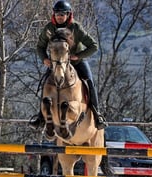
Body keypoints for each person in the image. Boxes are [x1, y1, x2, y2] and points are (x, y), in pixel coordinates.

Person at [29, 0, 107, 130]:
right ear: (54, 14)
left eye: (62, 14)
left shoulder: (76, 27)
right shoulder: (49, 28)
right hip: (56, 65)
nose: (59, 16)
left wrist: (79, 56)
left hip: (76, 62)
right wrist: (44, 59)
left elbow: (94, 46)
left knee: (90, 82)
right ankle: (40, 117)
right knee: (45, 84)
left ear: (68, 14)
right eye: (57, 14)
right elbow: (40, 46)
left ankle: (97, 114)